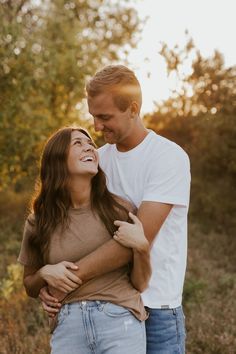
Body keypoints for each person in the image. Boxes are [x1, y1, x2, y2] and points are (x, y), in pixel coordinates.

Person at [40, 65, 191, 353]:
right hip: (106, 308)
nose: (96, 127)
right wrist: (47, 276)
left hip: (155, 306)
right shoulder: (97, 161)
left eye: (105, 117)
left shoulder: (168, 158)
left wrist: (65, 282)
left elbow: (133, 241)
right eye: (93, 117)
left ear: (133, 109)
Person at [18, 126, 150, 354]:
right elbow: (29, 285)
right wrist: (44, 273)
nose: (89, 146)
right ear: (57, 159)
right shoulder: (39, 221)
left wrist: (142, 248)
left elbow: (140, 283)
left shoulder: (120, 210)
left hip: (119, 321)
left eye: (90, 143)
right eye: (77, 143)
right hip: (68, 327)